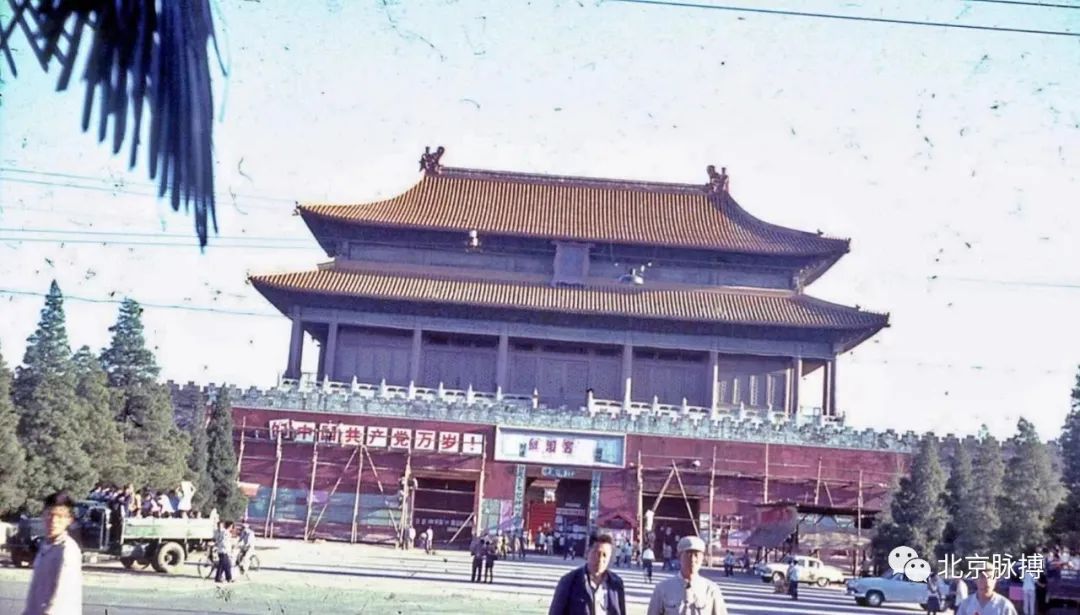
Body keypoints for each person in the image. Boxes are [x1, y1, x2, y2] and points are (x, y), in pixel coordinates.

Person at [23, 491, 82, 615]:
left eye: (60, 516)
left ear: (69, 520)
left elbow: (60, 595)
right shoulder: (45, 546)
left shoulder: (67, 550)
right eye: (50, 515)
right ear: (43, 515)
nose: (53, 521)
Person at [647, 536, 728, 615]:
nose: (692, 559)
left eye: (696, 555)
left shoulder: (711, 590)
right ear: (679, 556)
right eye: (688, 554)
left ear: (702, 558)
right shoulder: (663, 589)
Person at [549, 533, 627, 615]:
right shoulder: (569, 581)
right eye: (597, 553)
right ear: (587, 552)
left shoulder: (616, 584)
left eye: (605, 555)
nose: (600, 559)